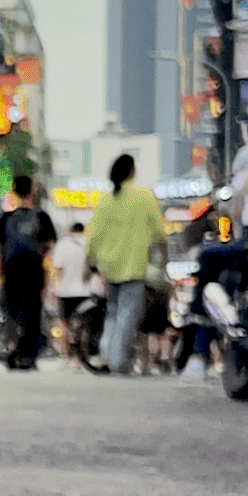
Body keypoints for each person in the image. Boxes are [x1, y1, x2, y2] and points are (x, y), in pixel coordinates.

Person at [85, 153, 171, 375]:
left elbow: (93, 235)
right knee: (126, 314)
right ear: (132, 171)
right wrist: (164, 257)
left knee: (112, 313)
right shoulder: (143, 197)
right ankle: (118, 361)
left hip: (109, 267)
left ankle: (106, 354)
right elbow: (159, 232)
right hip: (133, 266)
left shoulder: (106, 200)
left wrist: (89, 260)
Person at [0, 176, 58, 371]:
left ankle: (11, 347)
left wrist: (1, 269)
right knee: (32, 313)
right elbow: (50, 243)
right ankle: (28, 356)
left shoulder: (6, 218)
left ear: (14, 191)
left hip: (11, 272)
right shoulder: (41, 216)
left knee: (11, 311)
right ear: (31, 191)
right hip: (33, 271)